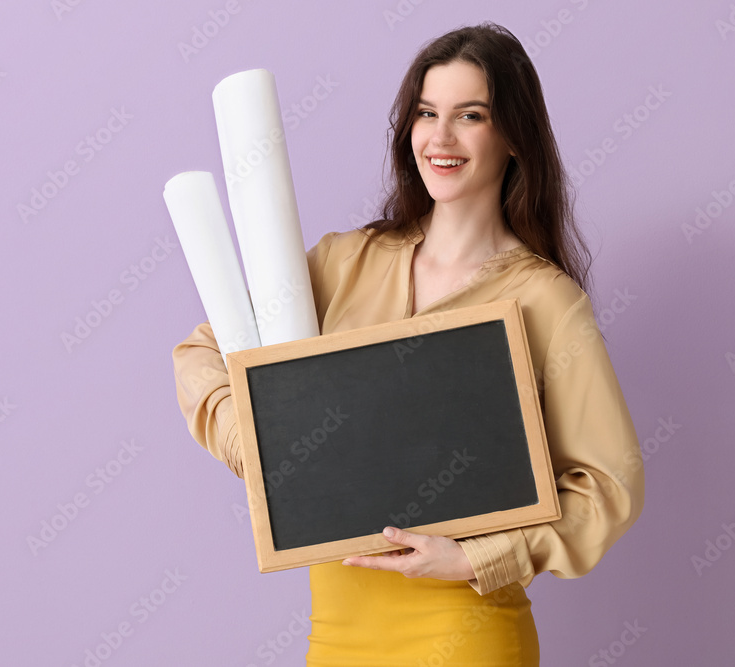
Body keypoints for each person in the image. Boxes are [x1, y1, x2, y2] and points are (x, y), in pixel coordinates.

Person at [173, 22, 645, 667]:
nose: (440, 137)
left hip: (467, 631)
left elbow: (609, 486)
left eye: (469, 115)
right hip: (337, 632)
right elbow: (205, 355)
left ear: (512, 135)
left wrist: (479, 555)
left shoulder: (546, 300)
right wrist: (260, 446)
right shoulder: (345, 261)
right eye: (426, 113)